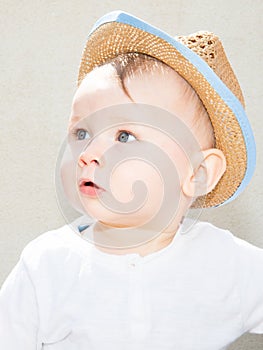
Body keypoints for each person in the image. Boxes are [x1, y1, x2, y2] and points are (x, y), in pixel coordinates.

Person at [0, 11, 262, 350]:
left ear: (197, 174)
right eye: (82, 132)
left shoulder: (229, 265)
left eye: (124, 136)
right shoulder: (47, 265)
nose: (89, 152)